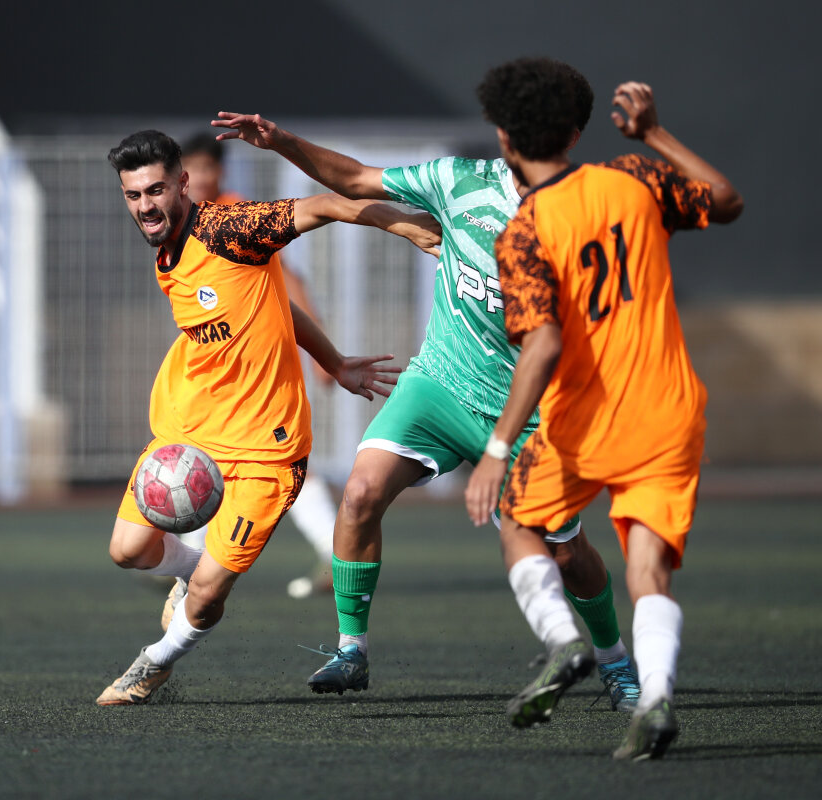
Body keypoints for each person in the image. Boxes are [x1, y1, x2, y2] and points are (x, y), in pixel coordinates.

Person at [211, 72, 641, 709]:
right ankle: (351, 650)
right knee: (360, 494)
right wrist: (282, 142)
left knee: (567, 554)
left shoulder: (589, 216)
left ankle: (614, 660)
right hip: (439, 382)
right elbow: (357, 179)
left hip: (528, 411)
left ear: (572, 137)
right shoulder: (458, 181)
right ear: (503, 132)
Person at [97, 129, 442, 706]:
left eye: (155, 190)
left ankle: (153, 664)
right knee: (127, 550)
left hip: (266, 448)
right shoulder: (166, 252)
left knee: (208, 595)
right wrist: (334, 360)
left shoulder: (227, 229)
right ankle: (192, 569)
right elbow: (274, 305)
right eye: (133, 195)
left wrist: (402, 224)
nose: (145, 206)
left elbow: (325, 205)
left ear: (182, 183)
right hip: (189, 430)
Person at [464, 60, 742, 760]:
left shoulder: (524, 230)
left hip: (581, 425)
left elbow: (543, 343)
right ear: (573, 131)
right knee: (647, 572)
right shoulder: (633, 178)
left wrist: (495, 451)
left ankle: (564, 641)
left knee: (519, 523)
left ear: (505, 138)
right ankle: (655, 700)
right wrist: (654, 134)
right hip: (667, 412)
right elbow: (726, 200)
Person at [181, 131, 340, 600]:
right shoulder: (185, 221)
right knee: (212, 451)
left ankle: (336, 551)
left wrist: (323, 353)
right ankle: (188, 557)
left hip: (258, 366)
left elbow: (289, 278)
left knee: (272, 457)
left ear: (219, 171)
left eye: (206, 168)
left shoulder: (233, 215)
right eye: (190, 169)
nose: (198, 178)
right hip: (223, 368)